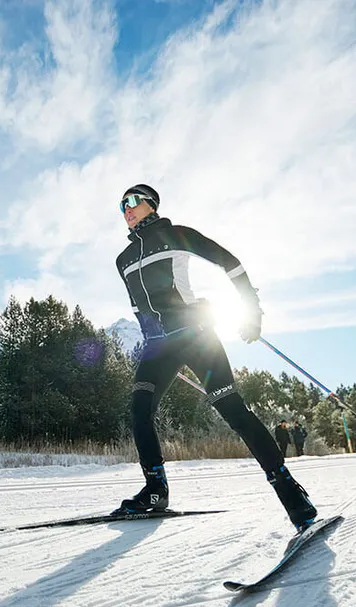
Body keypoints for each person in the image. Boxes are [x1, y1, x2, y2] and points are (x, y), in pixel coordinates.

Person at [110, 183, 317, 530]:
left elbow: (229, 263)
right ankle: (155, 490)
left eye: (133, 201)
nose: (127, 209)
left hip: (195, 335)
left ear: (152, 205)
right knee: (139, 410)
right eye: (121, 206)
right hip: (157, 346)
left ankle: (291, 492)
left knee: (234, 412)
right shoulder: (123, 260)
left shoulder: (176, 235)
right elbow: (137, 306)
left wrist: (251, 310)